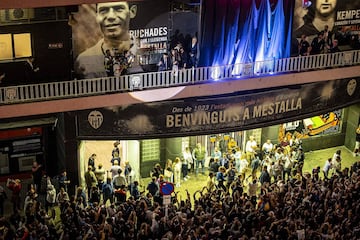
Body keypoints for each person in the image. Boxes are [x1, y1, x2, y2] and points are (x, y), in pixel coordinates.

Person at [75, 2, 138, 79]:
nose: (111, 16)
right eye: (103, 10)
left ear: (132, 12)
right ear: (97, 16)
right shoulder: (83, 61)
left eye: (118, 9)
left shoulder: (147, 53)